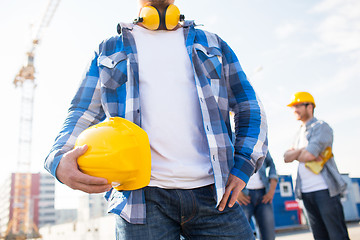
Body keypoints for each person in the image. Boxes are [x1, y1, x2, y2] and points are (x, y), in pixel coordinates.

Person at [44, 0, 268, 239]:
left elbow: (249, 106)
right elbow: (82, 111)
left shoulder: (213, 44)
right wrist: (58, 158)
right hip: (140, 201)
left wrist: (244, 162)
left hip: (216, 196)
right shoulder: (108, 49)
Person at [284, 91, 349, 240]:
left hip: (325, 191)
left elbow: (310, 155)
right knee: (319, 236)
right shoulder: (298, 133)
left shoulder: (322, 127)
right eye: (293, 107)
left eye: (298, 105)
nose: (294, 110)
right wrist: (302, 150)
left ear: (310, 106)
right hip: (305, 192)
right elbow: (286, 157)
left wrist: (297, 153)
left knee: (337, 236)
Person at [237, 151, 278, 240]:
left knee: (269, 236)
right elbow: (227, 164)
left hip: (263, 194)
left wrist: (271, 189)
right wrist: (236, 192)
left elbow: (271, 164)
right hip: (243, 195)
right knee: (241, 235)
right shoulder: (234, 140)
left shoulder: (260, 141)